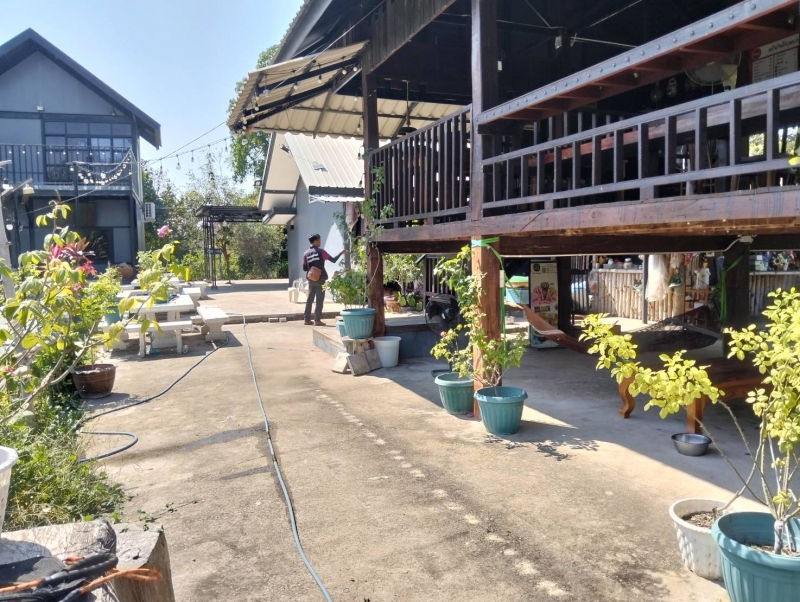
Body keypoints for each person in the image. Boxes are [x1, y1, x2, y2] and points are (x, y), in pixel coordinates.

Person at [302, 234, 346, 326]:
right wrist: (341, 253)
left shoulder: (306, 253)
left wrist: (313, 270)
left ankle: (307, 319)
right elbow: (333, 260)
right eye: (319, 240)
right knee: (319, 300)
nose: (320, 242)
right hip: (321, 279)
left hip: (311, 279)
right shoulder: (321, 252)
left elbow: (305, 268)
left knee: (310, 299)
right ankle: (317, 320)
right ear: (315, 241)